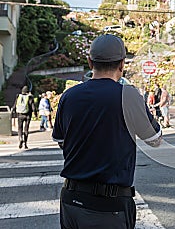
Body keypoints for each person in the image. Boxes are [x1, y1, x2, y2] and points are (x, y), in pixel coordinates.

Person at [52, 34, 162, 229]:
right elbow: (154, 139)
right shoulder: (128, 96)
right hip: (109, 205)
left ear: (89, 62)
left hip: (71, 200)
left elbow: (61, 140)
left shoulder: (69, 96)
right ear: (122, 64)